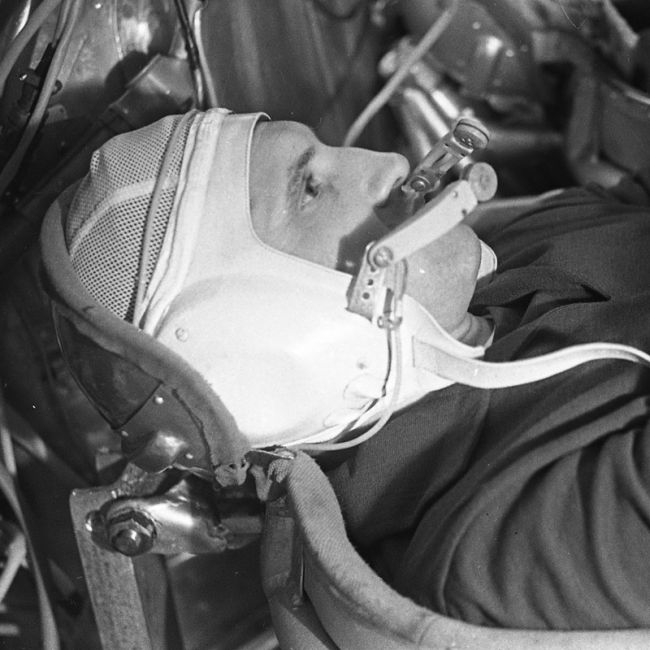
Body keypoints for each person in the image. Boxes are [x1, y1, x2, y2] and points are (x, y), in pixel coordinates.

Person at [53, 107, 650, 631]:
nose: (392, 164)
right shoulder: (504, 545)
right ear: (258, 347)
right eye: (309, 188)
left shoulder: (522, 249)